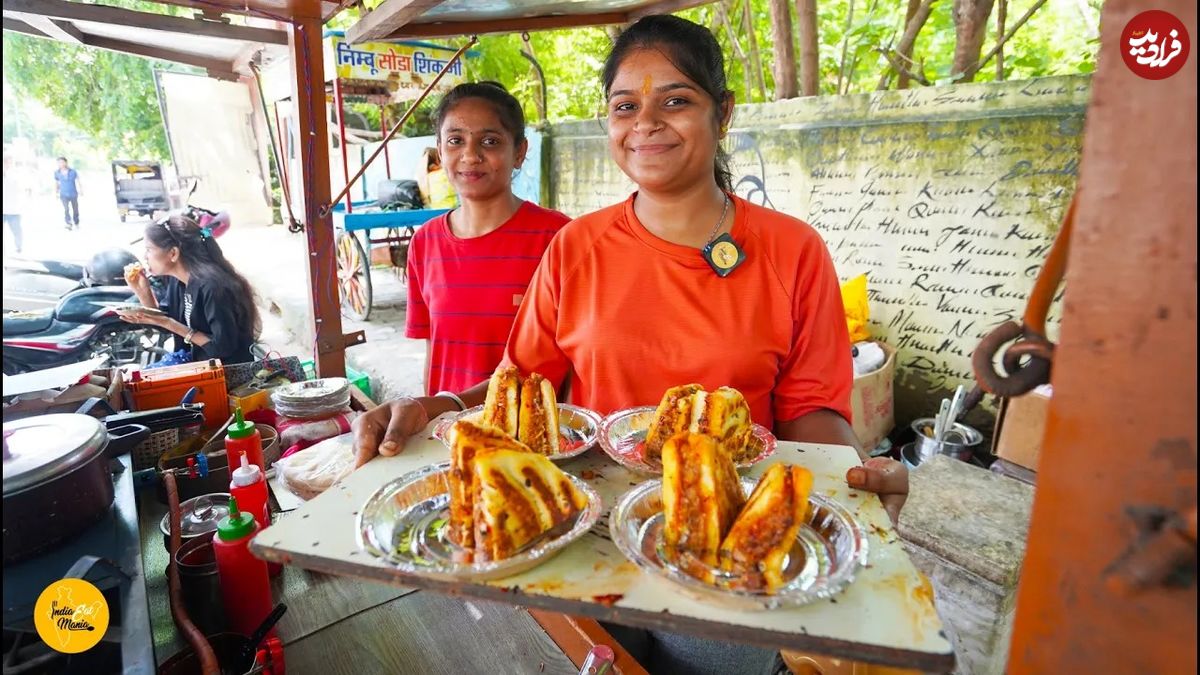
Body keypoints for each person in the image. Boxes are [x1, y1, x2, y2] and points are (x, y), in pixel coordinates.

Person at [353, 15, 908, 674]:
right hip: (577, 537)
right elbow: (520, 389)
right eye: (625, 105)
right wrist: (435, 405)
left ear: (722, 113)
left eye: (676, 100)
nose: (645, 122)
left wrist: (851, 486)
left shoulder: (794, 251)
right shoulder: (576, 247)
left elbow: (811, 413)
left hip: (713, 549)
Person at [406, 81, 570, 397]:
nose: (470, 155)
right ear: (440, 151)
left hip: (533, 436)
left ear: (519, 152)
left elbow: (574, 358)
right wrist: (429, 417)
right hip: (452, 435)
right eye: (455, 141)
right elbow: (434, 352)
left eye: (490, 141)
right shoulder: (425, 243)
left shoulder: (558, 238)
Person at [118, 214, 260, 365]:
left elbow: (222, 348)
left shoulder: (213, 287)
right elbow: (166, 322)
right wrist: (142, 291)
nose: (145, 257)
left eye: (149, 249)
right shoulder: (177, 281)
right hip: (197, 364)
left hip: (227, 373)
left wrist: (169, 323)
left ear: (173, 253)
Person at [3, 153, 26, 253]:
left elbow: (22, 188)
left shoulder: (16, 173)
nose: (7, 164)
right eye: (6, 162)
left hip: (14, 209)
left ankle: (18, 248)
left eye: (9, 162)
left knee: (17, 231)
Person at [53, 156, 81, 230]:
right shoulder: (57, 173)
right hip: (63, 194)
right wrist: (56, 193)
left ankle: (76, 221)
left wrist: (81, 190)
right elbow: (56, 183)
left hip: (73, 193)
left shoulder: (73, 171)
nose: (60, 164)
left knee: (75, 209)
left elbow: (78, 181)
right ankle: (68, 222)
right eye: (59, 163)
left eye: (62, 162)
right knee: (66, 208)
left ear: (66, 162)